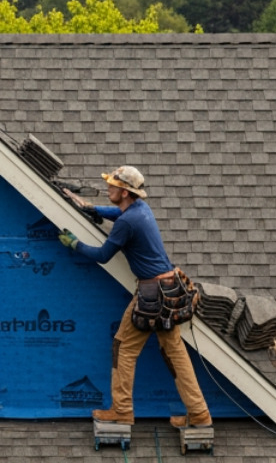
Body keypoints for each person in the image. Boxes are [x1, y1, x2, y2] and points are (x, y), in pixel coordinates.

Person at [57, 165, 211, 428]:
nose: (109, 188)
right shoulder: (140, 210)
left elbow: (103, 255)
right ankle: (199, 413)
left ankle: (122, 410)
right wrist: (90, 208)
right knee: (175, 353)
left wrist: (76, 245)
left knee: (124, 348)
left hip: (152, 294)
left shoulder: (128, 222)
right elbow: (116, 213)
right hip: (170, 289)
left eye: (113, 186)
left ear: (126, 191)